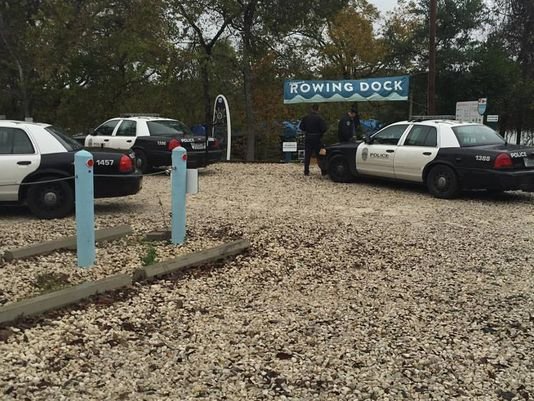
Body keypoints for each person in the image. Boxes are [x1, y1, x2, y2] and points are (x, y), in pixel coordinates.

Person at [299, 104, 328, 176]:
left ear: (311, 109)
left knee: (307, 155)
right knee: (319, 155)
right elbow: (324, 128)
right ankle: (323, 171)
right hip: (317, 137)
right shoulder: (320, 118)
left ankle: (306, 171)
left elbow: (301, 127)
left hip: (308, 137)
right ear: (318, 109)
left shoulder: (306, 118)